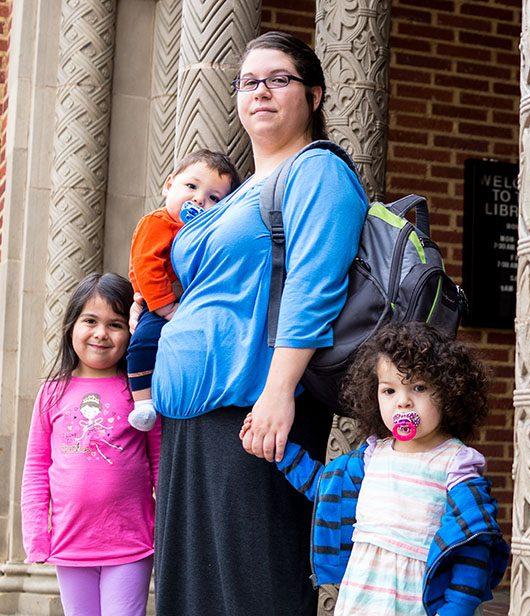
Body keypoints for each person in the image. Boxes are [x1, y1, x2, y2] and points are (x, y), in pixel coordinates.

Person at [146, 31, 368, 615]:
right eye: (249, 82)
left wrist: (277, 393)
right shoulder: (240, 191)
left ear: (314, 94)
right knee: (193, 597)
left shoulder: (317, 172)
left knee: (251, 592)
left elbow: (315, 285)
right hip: (195, 420)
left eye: (278, 79)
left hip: (254, 414)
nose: (260, 92)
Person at [242, 323, 510, 616]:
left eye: (419, 387)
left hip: (417, 604)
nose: (403, 401)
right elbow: (326, 489)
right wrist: (280, 452)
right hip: (360, 600)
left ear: (449, 392)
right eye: (389, 390)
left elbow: (473, 543)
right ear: (374, 395)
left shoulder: (456, 464)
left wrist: (456, 609)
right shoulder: (372, 456)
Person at [20, 273, 161, 616]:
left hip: (130, 541)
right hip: (72, 543)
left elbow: (160, 462)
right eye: (90, 321)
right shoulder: (51, 393)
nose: (101, 333)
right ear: (71, 326)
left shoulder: (139, 391)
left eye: (115, 324)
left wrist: (168, 527)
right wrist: (37, 535)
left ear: (131, 331)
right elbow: (36, 468)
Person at [126, 149, 240, 432]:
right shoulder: (158, 223)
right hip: (161, 304)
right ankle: (142, 402)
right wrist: (167, 308)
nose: (199, 198)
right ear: (168, 186)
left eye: (214, 198)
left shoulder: (207, 234)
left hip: (190, 305)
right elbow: (147, 265)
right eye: (191, 186)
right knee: (143, 342)